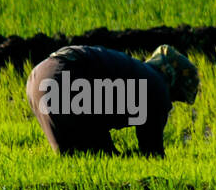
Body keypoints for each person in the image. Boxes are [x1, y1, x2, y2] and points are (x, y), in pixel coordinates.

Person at [26, 44, 198, 157]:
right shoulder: (157, 85)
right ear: (172, 82)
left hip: (38, 78)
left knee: (78, 159)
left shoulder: (137, 71)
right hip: (69, 79)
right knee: (99, 161)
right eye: (175, 98)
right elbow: (152, 153)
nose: (169, 104)